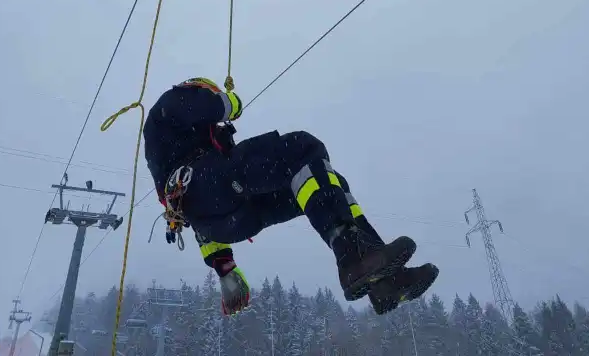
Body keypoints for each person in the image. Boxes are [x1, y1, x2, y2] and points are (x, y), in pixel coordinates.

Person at [143, 77, 439, 316]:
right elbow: (211, 106)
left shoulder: (177, 159)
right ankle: (354, 256)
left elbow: (202, 218)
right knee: (302, 148)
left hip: (227, 220)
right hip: (211, 184)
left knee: (326, 179)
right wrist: (231, 102)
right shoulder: (173, 103)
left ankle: (380, 277)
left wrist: (225, 268)